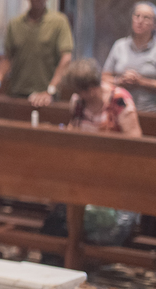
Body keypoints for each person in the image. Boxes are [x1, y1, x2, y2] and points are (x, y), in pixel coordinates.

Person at [39, 58, 142, 258]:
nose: (78, 95)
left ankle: (81, 257)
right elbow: (74, 135)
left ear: (92, 88)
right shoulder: (78, 103)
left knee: (97, 223)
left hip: (115, 180)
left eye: (81, 90)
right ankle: (60, 257)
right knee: (56, 220)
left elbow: (135, 148)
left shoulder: (119, 101)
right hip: (82, 176)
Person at [0, 0, 73, 107]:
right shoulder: (15, 24)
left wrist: (50, 90)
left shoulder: (59, 22)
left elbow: (66, 58)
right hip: (17, 93)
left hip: (46, 96)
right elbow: (7, 58)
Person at [103, 1, 156, 112]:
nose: (140, 21)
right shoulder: (119, 46)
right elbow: (104, 78)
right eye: (137, 16)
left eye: (146, 18)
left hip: (150, 112)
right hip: (120, 111)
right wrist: (119, 81)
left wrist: (141, 82)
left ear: (154, 24)